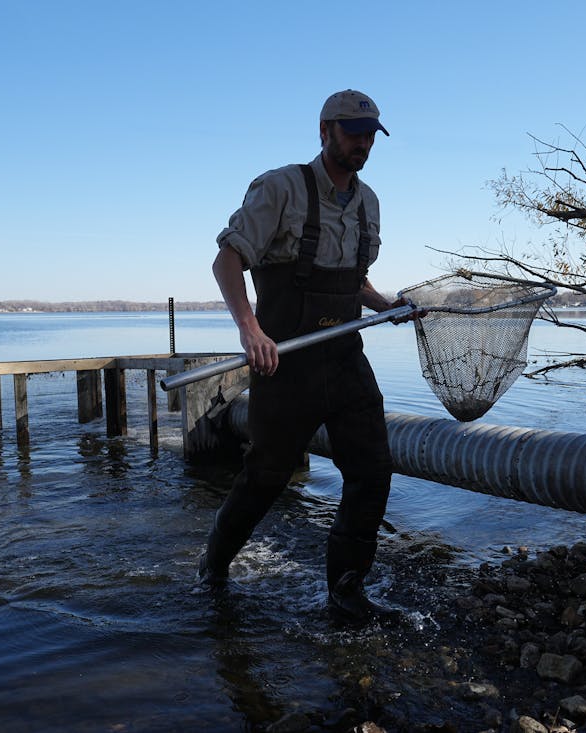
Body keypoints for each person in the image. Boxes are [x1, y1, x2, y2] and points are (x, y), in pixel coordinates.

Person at [199, 89, 403, 625]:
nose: (362, 143)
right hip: (284, 362)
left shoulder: (370, 202)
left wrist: (385, 305)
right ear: (325, 131)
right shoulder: (281, 188)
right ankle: (214, 566)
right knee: (266, 475)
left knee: (373, 470)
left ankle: (346, 588)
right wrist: (250, 329)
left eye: (369, 135)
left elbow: (352, 279)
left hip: (344, 357)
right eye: (353, 131)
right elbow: (227, 262)